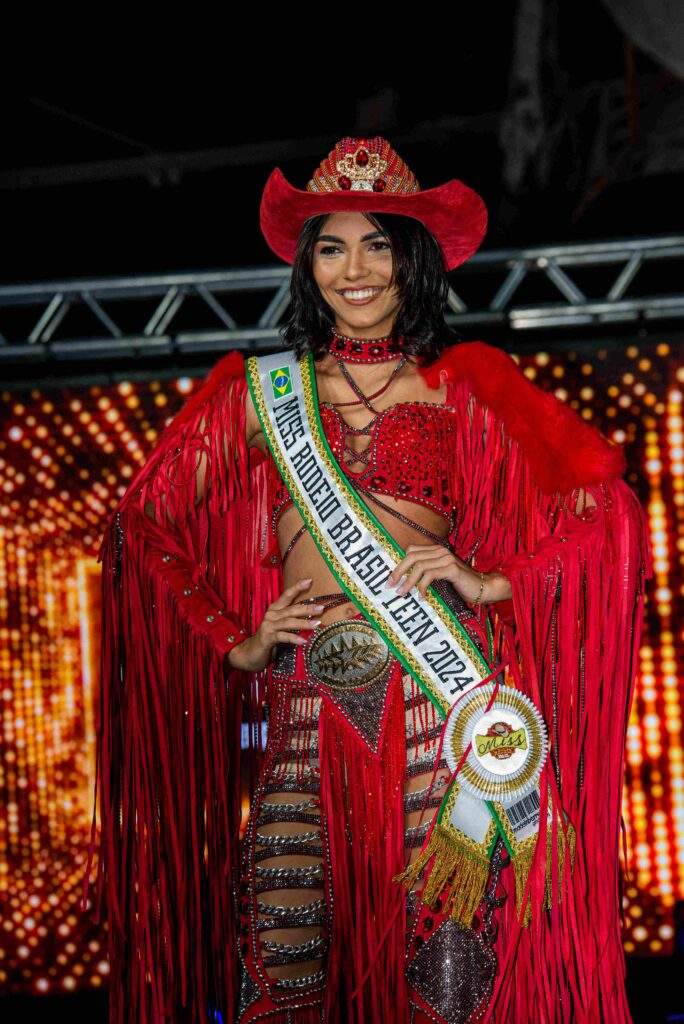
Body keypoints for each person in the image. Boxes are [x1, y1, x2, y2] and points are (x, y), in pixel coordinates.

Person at [82, 137, 653, 1024]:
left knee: (443, 966)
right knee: (285, 950)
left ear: (412, 259)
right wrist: (232, 636)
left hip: (433, 695)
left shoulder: (466, 384)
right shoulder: (257, 392)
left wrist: (494, 581)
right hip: (304, 693)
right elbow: (140, 526)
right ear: (308, 267)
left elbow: (600, 505)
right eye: (331, 246)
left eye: (377, 245)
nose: (354, 269)